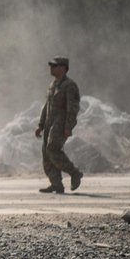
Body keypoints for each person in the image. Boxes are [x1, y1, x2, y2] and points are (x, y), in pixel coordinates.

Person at [34, 56, 83, 194]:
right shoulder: (53, 85)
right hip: (50, 122)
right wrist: (41, 124)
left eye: (54, 66)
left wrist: (68, 127)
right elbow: (47, 106)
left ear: (63, 68)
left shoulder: (69, 85)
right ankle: (56, 184)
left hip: (60, 122)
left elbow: (72, 109)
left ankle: (74, 173)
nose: (51, 68)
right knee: (46, 153)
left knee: (52, 149)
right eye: (51, 66)